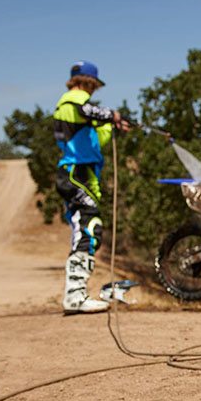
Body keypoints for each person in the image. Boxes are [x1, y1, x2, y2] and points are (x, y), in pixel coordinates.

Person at [53, 61, 129, 314]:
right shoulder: (71, 101)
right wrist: (110, 115)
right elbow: (83, 109)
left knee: (91, 228)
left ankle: (78, 293)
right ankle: (75, 296)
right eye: (92, 86)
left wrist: (112, 126)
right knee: (86, 227)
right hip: (75, 174)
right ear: (89, 83)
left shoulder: (82, 115)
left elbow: (97, 139)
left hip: (85, 175)